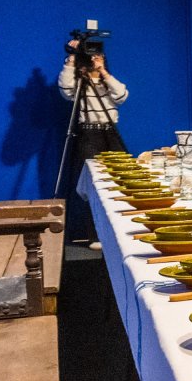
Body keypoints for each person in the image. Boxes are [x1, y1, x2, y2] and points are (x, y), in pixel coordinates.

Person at [59, 38, 129, 245]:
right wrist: (71, 60)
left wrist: (104, 73)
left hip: (110, 133)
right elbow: (65, 90)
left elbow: (122, 95)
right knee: (92, 187)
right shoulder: (80, 84)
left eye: (98, 57)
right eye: (89, 57)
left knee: (121, 182)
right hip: (88, 135)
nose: (93, 60)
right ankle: (95, 235)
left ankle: (121, 232)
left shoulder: (108, 83)